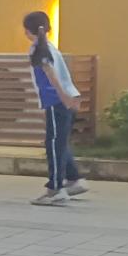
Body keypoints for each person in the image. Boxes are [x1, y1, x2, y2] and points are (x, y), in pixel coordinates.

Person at [24, 11, 88, 206]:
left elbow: (51, 76)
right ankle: (73, 179)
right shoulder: (50, 47)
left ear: (28, 31)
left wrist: (64, 97)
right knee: (59, 142)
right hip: (63, 100)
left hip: (57, 101)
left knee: (53, 144)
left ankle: (55, 189)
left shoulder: (38, 49)